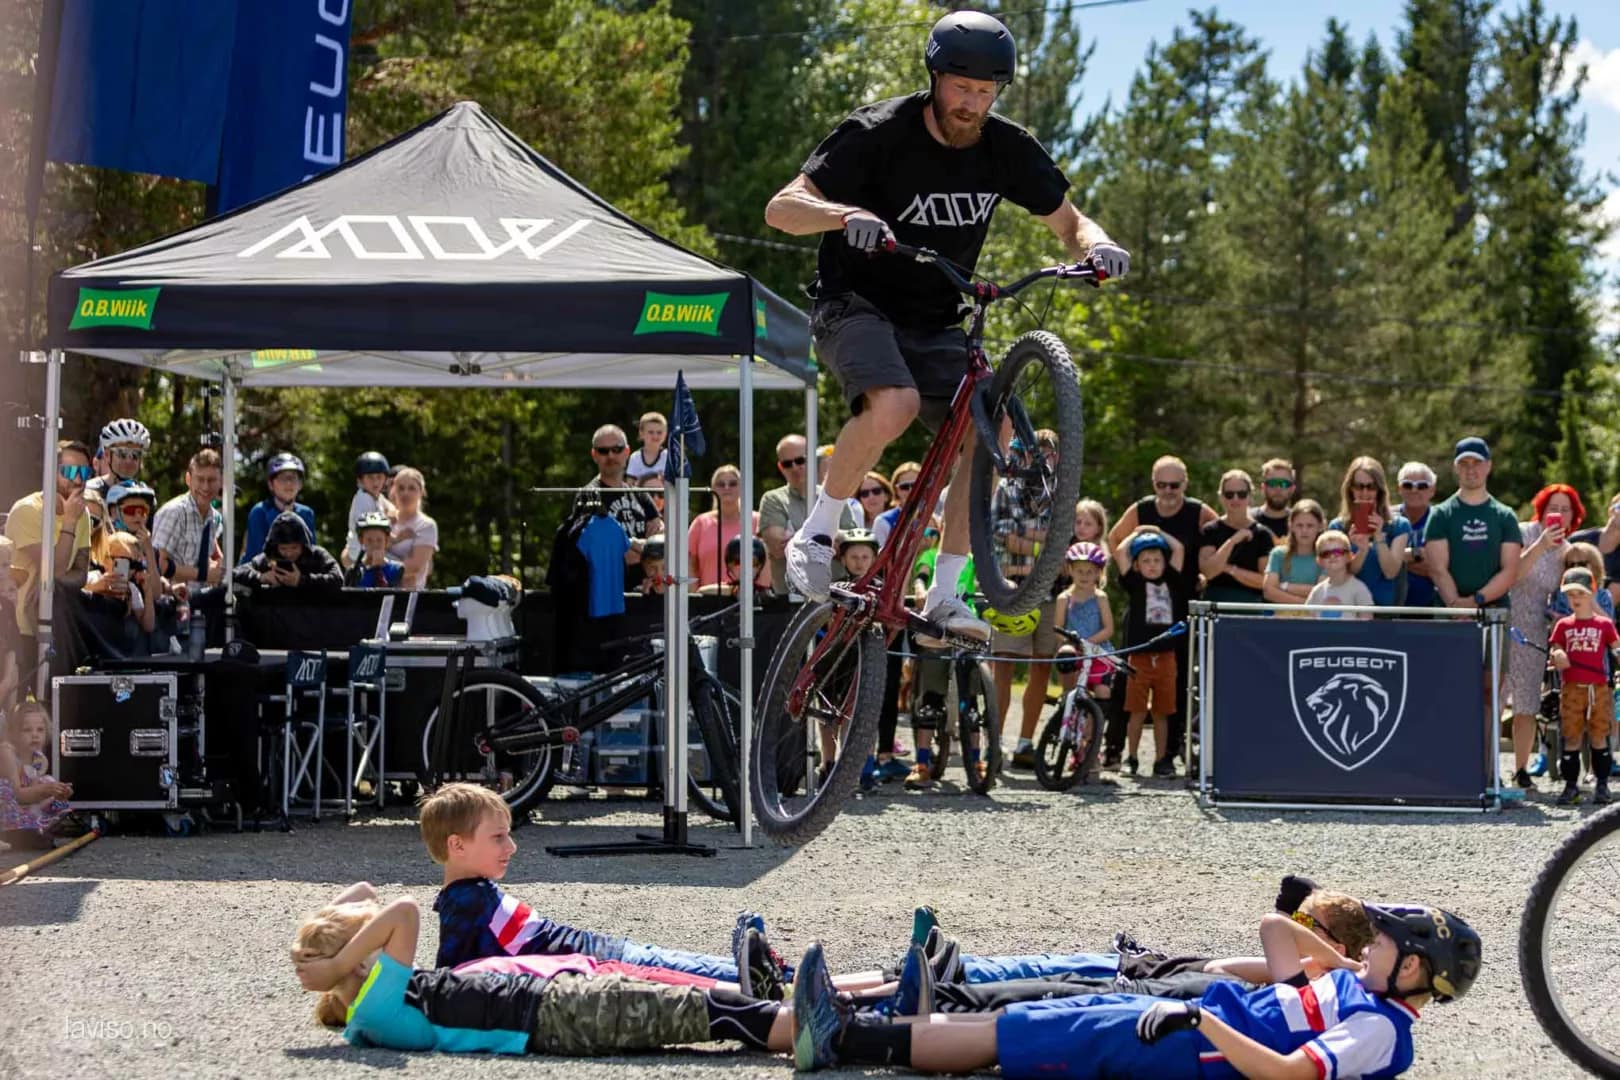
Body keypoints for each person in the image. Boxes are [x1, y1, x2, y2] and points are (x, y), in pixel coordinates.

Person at [765, 8, 1129, 645]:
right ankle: (816, 531)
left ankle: (943, 593)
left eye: (986, 92)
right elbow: (782, 209)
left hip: (936, 317)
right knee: (897, 403)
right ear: (933, 78)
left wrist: (1098, 246)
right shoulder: (878, 132)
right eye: (961, 88)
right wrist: (843, 213)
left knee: (990, 429)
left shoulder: (1005, 148)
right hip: (855, 303)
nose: (972, 103)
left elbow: (1072, 223)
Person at [796, 901, 1481, 1078]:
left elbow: (1284, 1073)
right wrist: (1346, 963)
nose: (1370, 948)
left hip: (1187, 1045)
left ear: (1414, 970)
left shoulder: (1381, 1031)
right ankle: (850, 1028)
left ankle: (845, 1041)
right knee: (1027, 1018)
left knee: (1012, 1037)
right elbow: (1279, 929)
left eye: (1385, 945)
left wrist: (1198, 1021)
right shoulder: (1363, 995)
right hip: (1185, 1020)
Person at [291, 889, 796, 1058]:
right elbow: (400, 910)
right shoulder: (376, 1008)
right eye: (367, 941)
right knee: (720, 1011)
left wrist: (332, 953)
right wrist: (334, 963)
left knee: (717, 1000)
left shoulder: (372, 1001)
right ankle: (822, 1025)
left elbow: (366, 894)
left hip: (552, 997)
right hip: (553, 1014)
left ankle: (829, 1008)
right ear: (360, 960)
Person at [422, 783, 776, 985]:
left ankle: (771, 973)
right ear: (458, 845)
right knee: (686, 972)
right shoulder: (465, 904)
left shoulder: (471, 895)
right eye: (498, 837)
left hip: (602, 951)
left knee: (687, 965)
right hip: (599, 961)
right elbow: (448, 983)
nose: (511, 847)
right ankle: (772, 977)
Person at [988, 432, 1063, 754]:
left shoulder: (1063, 491)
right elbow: (998, 531)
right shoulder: (1006, 488)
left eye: (1047, 454)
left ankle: (1025, 743)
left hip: (1050, 592)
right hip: (1011, 591)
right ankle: (995, 742)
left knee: (1042, 665)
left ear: (1057, 457)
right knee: (1002, 664)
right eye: (1035, 453)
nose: (1040, 459)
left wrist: (1023, 538)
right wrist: (1039, 541)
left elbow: (1063, 536)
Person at [1505, 484, 1580, 789]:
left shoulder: (1567, 550)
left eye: (1565, 509)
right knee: (1492, 698)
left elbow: (1564, 594)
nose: (1558, 514)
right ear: (1541, 507)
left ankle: (1521, 769)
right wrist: (1539, 545)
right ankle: (1483, 771)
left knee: (1526, 704)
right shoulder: (1523, 532)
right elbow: (1514, 574)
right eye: (1554, 507)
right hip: (1505, 618)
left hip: (1535, 628)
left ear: (1574, 516)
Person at [5, 439, 93, 654]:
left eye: (85, 472)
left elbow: (81, 574)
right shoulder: (27, 511)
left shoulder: (83, 514)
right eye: (70, 472)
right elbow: (55, 567)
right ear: (52, 473)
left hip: (58, 627)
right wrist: (70, 521)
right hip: (21, 628)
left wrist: (51, 582)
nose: (79, 480)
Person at [1111, 527, 1186, 777]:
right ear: (1137, 565)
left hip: (1166, 656)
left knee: (1162, 711)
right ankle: (1130, 757)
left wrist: (1159, 532)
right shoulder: (1135, 584)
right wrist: (1138, 531)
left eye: (1157, 560)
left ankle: (1161, 759)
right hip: (1140, 657)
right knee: (1136, 710)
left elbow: (1179, 549)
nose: (1152, 565)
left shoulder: (1172, 581)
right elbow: (1120, 551)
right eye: (1145, 561)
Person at [1549, 566, 1620, 805]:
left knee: (1599, 735)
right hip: (1571, 688)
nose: (1575, 599)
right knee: (1571, 736)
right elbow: (1556, 646)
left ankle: (1602, 785)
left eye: (1580, 593)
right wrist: (1558, 654)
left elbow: (1616, 647)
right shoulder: (1563, 625)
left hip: (1598, 687)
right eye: (1570, 595)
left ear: (1591, 593)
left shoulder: (1603, 624)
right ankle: (1571, 786)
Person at [758, 433, 854, 596]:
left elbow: (850, 547)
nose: (795, 467)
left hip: (836, 597)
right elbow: (778, 547)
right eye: (788, 464)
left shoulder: (835, 496)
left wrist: (796, 541)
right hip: (790, 600)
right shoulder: (772, 500)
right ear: (781, 467)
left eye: (800, 460)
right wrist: (827, 539)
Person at [571, 425, 662, 589]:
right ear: (594, 455)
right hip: (606, 591)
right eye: (603, 451)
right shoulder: (588, 495)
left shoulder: (640, 494)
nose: (611, 455)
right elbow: (596, 547)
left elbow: (661, 536)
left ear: (627, 452)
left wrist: (645, 548)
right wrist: (637, 546)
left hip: (646, 591)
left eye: (617, 449)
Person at [1329, 457, 1410, 607]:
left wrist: (1379, 537)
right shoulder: (1338, 527)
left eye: (1371, 487)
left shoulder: (1399, 526)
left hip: (1383, 613)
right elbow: (1342, 575)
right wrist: (1362, 550)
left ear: (1379, 491)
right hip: (1348, 609)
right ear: (1350, 489)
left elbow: (1391, 572)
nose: (1365, 492)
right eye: (1359, 486)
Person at [0, 700, 73, 846]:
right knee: (5, 789)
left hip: (24, 806)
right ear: (14, 732)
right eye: (27, 730)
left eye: (40, 730)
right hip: (9, 804)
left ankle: (34, 827)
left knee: (48, 781)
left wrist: (56, 792)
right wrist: (43, 791)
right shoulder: (7, 752)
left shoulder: (38, 758)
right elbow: (18, 795)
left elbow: (33, 794)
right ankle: (13, 832)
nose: (35, 735)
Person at [151, 448, 225, 588]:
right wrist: (203, 574)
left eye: (212, 480)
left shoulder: (214, 517)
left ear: (220, 482)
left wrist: (219, 565)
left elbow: (213, 553)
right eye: (200, 479)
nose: (205, 486)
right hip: (174, 602)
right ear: (188, 479)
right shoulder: (174, 512)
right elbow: (158, 564)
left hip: (202, 601)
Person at [688, 464, 767, 592]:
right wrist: (693, 597)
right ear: (713, 488)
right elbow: (689, 563)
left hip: (749, 599)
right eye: (720, 484)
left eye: (733, 483)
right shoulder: (700, 523)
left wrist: (759, 592)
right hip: (709, 599)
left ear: (742, 487)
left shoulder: (757, 521)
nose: (726, 488)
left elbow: (767, 562)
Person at [1197, 469, 1271, 604]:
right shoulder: (1210, 530)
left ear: (1250, 497)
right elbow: (1209, 572)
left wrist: (1228, 569)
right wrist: (1233, 541)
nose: (1235, 499)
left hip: (1250, 606)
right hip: (1215, 605)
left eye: (1241, 494)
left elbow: (1264, 581)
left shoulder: (1262, 534)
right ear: (1221, 497)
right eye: (1229, 494)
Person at [1053, 542, 1114, 697]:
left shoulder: (1100, 598)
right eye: (1080, 571)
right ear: (1071, 570)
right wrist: (1074, 644)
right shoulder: (1063, 599)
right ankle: (1068, 715)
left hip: (1098, 652)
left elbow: (1108, 629)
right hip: (1074, 652)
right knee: (1072, 692)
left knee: (1103, 692)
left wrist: (1088, 643)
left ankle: (1095, 721)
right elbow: (1058, 628)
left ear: (1098, 573)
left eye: (1090, 572)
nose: (1084, 576)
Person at [231, 511, 343, 596]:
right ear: (275, 547)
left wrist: (301, 581)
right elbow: (234, 574)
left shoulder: (317, 556)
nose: (289, 554)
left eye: (294, 548)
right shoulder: (268, 558)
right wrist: (261, 577)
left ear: (303, 545)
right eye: (283, 549)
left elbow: (337, 579)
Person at [240, 452, 317, 563]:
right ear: (271, 484)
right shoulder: (260, 512)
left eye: (293, 478)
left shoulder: (306, 513)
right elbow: (255, 556)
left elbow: (312, 555)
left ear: (300, 484)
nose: (289, 483)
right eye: (283, 478)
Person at [1261, 500, 1327, 609]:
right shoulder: (1278, 554)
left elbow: (1321, 593)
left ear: (1320, 526)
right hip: (1282, 619)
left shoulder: (1326, 556)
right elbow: (1269, 591)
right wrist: (1307, 604)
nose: (1304, 530)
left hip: (1314, 620)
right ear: (1291, 526)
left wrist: (1284, 586)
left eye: (1310, 526)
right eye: (1299, 525)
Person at [1392, 461, 1439, 608]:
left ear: (1432, 490)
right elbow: (1380, 563)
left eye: (1422, 486)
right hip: (1390, 607)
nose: (1414, 490)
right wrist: (1418, 555)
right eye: (1407, 485)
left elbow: (1439, 568)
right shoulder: (1387, 518)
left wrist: (1397, 559)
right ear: (1399, 488)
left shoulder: (1441, 519)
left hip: (1431, 607)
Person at [386, 466, 439, 591]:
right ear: (394, 491)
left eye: (411, 488)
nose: (405, 493)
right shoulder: (384, 520)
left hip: (408, 596)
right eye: (401, 488)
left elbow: (414, 567)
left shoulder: (426, 525)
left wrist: (377, 563)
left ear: (421, 492)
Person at [341, 451, 394, 570]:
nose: (375, 482)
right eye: (370, 478)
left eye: (379, 477)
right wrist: (402, 536)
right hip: (360, 555)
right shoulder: (363, 500)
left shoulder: (375, 496)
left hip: (368, 551)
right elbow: (374, 531)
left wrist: (390, 511)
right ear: (360, 480)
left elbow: (390, 507)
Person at [1305, 530, 1374, 618]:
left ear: (1349, 556)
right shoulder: (1317, 591)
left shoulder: (1359, 589)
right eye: (1325, 554)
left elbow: (1367, 626)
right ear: (1319, 561)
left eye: (1338, 552)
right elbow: (1308, 623)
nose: (1332, 556)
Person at [85, 417, 150, 503]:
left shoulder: (146, 495)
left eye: (135, 454)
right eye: (122, 454)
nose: (128, 461)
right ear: (107, 455)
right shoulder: (89, 490)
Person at [345, 512, 405, 588]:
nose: (375, 545)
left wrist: (377, 570)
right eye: (369, 540)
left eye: (379, 540)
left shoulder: (397, 569)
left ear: (386, 541)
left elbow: (394, 596)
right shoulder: (354, 572)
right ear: (361, 540)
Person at [873, 461, 922, 548]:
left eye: (916, 485)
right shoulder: (883, 521)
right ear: (896, 490)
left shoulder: (936, 519)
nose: (911, 490)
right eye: (904, 487)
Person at [1250, 458, 1295, 540]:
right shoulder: (1249, 521)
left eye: (1284, 484)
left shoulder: (1300, 523)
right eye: (1273, 483)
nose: (1278, 488)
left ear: (1292, 489)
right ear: (1263, 488)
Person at [0, 538, 20, 714]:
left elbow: (13, 643)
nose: (1, 571)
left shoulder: (7, 605)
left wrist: (6, 681)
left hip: (4, 666)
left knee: (14, 672)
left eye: (5, 565)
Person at [624, 411, 669, 484]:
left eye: (659, 432)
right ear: (641, 433)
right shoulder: (635, 457)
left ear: (665, 434)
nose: (655, 436)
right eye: (651, 432)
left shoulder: (669, 457)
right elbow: (630, 485)